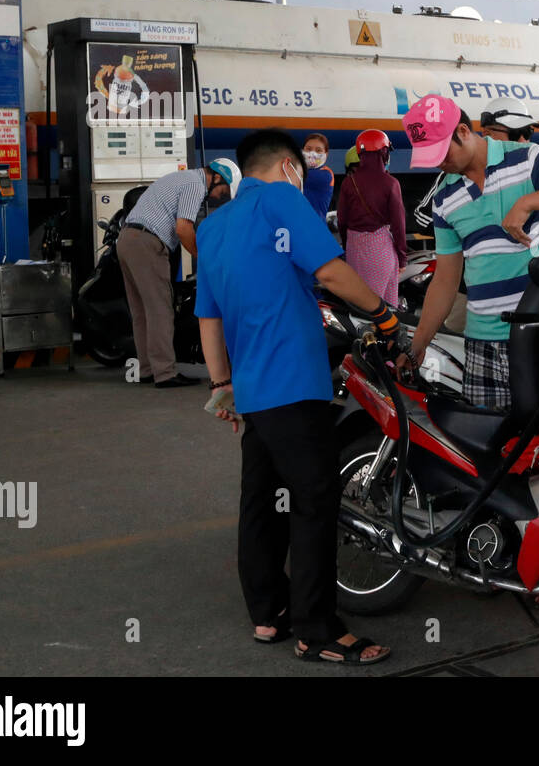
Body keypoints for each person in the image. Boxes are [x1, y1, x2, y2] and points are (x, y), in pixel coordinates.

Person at [195, 129, 405, 665]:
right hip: (293, 380)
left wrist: (222, 387)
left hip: (252, 389)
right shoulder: (283, 199)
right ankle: (319, 629)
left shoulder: (215, 225)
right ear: (290, 166)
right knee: (314, 501)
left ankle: (269, 614)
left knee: (260, 501)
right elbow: (332, 271)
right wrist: (383, 314)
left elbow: (209, 316)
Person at [398, 95, 539, 413]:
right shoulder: (444, 199)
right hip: (481, 341)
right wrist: (419, 345)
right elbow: (445, 279)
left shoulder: (526, 159)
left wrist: (529, 202)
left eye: (441, 151)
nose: (438, 162)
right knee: (489, 444)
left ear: (465, 132)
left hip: (535, 334)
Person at [118, 160, 233, 387]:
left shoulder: (182, 177)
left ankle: (147, 370)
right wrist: (203, 258)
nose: (220, 196)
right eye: (223, 190)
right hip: (147, 243)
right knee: (161, 309)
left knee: (142, 311)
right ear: (217, 178)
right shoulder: (196, 185)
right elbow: (183, 228)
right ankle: (165, 374)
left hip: (127, 240)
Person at [337, 130, 407, 305]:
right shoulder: (391, 183)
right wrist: (402, 256)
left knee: (366, 309)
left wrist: (347, 246)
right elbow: (399, 224)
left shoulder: (348, 182)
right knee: (388, 308)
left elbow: (341, 221)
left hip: (355, 247)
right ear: (383, 153)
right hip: (383, 250)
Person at [300, 133, 335, 219]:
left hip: (314, 227)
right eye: (308, 149)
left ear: (326, 154)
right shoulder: (299, 170)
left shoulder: (326, 174)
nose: (312, 153)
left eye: (318, 150)